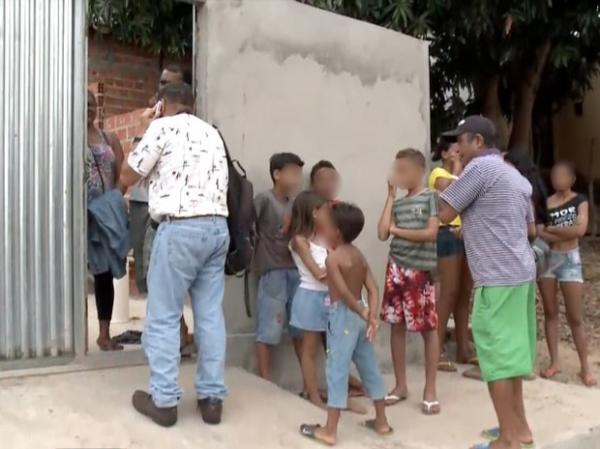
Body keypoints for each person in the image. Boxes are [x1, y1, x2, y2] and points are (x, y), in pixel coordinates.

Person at [121, 82, 229, 427]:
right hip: (217, 230)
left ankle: (165, 401)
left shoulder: (161, 127)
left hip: (180, 229)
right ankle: (212, 400)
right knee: (210, 315)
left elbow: (126, 175)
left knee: (164, 314)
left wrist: (143, 128)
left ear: (161, 104)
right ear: (191, 105)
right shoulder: (213, 133)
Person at [438, 116, 537, 449]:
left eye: (461, 142)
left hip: (495, 279)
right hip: (521, 274)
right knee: (511, 359)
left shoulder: (478, 170)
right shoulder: (515, 176)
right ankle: (520, 430)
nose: (457, 149)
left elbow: (443, 211)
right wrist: (473, 227)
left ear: (478, 142)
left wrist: (452, 169)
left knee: (494, 360)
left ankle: (507, 440)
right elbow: (524, 227)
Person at [300, 202, 391, 446]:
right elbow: (373, 287)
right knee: (369, 366)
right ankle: (381, 421)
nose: (320, 230)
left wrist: (362, 311)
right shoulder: (357, 254)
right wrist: (371, 314)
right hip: (360, 320)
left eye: (324, 227)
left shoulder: (333, 259)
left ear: (336, 232)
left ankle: (329, 430)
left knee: (336, 372)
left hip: (343, 317)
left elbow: (343, 294)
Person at [130, 64, 193, 352]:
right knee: (147, 274)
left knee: (165, 279)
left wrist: (146, 132)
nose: (162, 87)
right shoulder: (152, 116)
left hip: (170, 213)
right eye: (161, 82)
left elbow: (132, 169)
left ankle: (172, 337)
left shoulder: (178, 123)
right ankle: (171, 333)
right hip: (145, 204)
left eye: (169, 84)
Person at [377, 148, 441, 414]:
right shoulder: (399, 202)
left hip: (421, 271)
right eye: (396, 170)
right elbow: (382, 233)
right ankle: (400, 385)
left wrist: (397, 231)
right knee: (396, 326)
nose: (399, 175)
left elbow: (430, 233)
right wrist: (390, 197)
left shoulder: (431, 197)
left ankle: (430, 389)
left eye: (403, 170)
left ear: (419, 171)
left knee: (428, 328)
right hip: (396, 268)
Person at [537, 161, 597, 387]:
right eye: (555, 176)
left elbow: (581, 230)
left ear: (571, 179)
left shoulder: (580, 200)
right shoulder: (546, 202)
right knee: (550, 311)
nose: (558, 179)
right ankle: (555, 362)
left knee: (575, 317)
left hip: (571, 259)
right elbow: (541, 233)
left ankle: (585, 366)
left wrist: (553, 230)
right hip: (548, 260)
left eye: (563, 176)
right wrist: (563, 232)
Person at [254, 153, 305, 381]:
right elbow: (249, 228)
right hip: (272, 271)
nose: (297, 178)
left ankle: (308, 381)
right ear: (277, 174)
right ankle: (265, 380)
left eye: (299, 174)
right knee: (268, 329)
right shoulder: (264, 200)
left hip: (296, 271)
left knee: (300, 330)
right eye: (293, 173)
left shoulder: (295, 205)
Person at [429, 140, 475, 372]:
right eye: (454, 148)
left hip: (466, 233)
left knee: (464, 293)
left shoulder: (469, 172)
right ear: (444, 153)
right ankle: (435, 353)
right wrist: (458, 167)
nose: (459, 150)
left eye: (461, 148)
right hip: (446, 234)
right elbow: (452, 191)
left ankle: (463, 349)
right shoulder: (438, 173)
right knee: (448, 292)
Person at [86, 90, 125, 351]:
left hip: (105, 215)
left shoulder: (108, 137)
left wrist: (112, 202)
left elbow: (122, 173)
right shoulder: (68, 137)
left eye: (91, 104)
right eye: (83, 104)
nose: (88, 108)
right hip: (81, 214)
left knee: (105, 274)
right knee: (77, 277)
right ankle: (78, 338)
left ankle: (104, 334)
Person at [289, 191, 329, 408]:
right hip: (310, 297)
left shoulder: (323, 237)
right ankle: (313, 395)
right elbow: (318, 273)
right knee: (309, 350)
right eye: (324, 211)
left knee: (333, 349)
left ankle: (335, 393)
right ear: (314, 212)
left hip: (329, 296)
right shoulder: (300, 241)